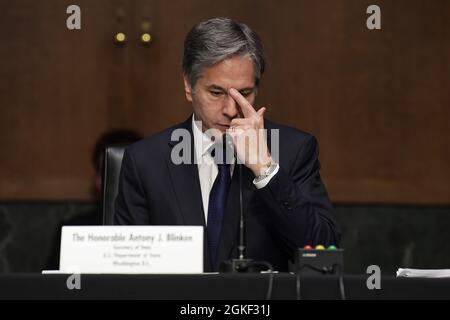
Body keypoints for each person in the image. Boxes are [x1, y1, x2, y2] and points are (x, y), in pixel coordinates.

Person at [114, 17, 340, 272]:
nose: (231, 110)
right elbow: (126, 271)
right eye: (216, 93)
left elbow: (323, 254)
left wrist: (266, 170)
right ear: (189, 85)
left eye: (244, 94)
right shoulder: (146, 161)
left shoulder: (293, 150)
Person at [44, 129, 141, 270]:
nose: (121, 183)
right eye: (111, 174)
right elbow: (52, 288)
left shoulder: (166, 227)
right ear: (97, 180)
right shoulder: (74, 233)